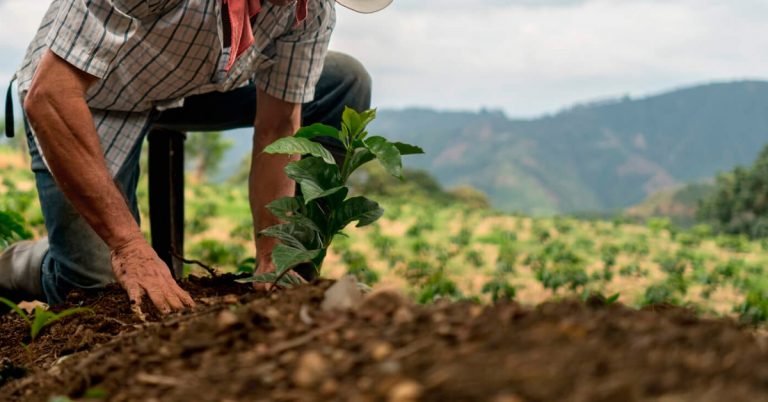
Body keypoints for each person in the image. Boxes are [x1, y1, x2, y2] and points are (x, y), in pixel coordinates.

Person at [0, 0, 393, 314]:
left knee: (345, 80)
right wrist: (130, 246)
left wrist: (275, 253)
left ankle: (292, 283)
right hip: (87, 96)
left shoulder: (308, 10)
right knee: (95, 289)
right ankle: (19, 264)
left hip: (192, 87)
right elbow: (51, 94)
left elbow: (278, 128)